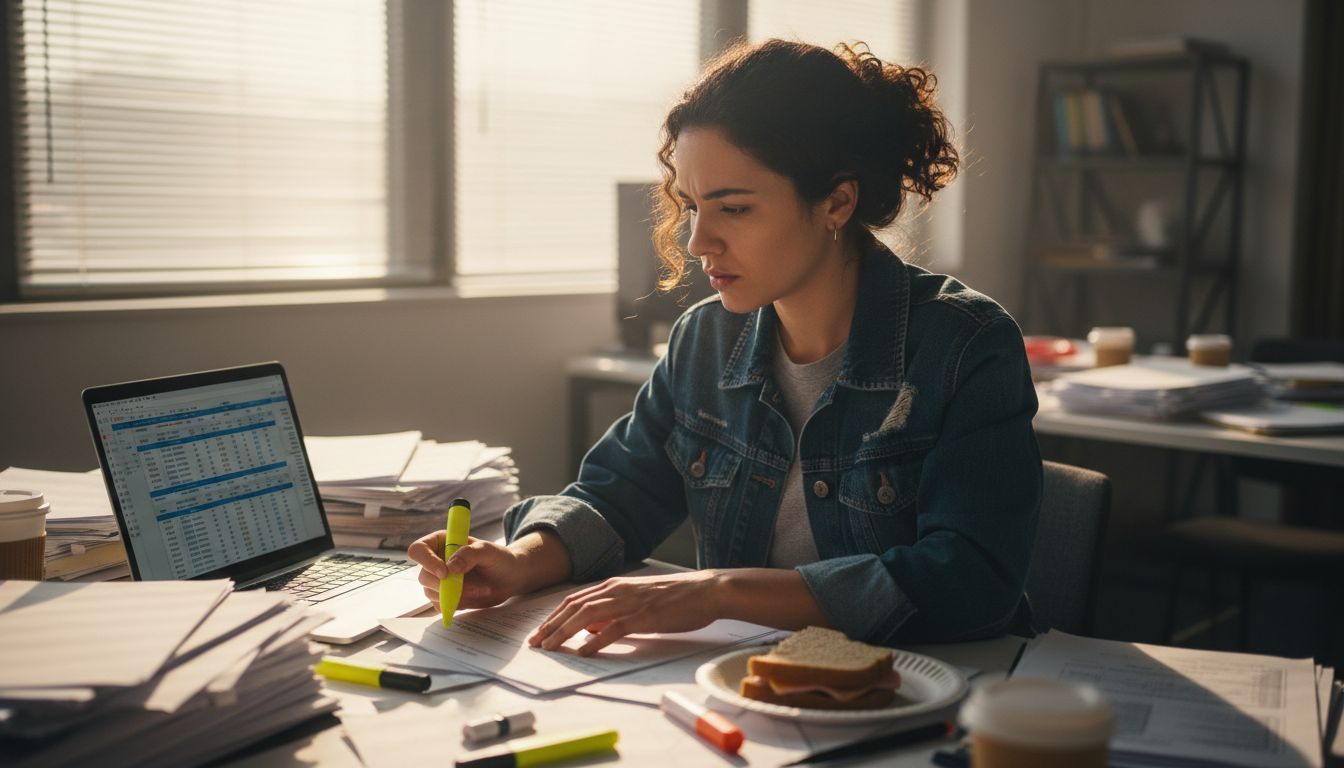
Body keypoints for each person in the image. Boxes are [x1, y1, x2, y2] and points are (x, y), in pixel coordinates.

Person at [409, 39, 1042, 656]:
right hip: (757, 687)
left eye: (733, 209)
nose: (697, 243)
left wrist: (717, 592)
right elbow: (615, 497)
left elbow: (967, 582)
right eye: (690, 207)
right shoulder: (705, 339)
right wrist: (520, 560)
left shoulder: (965, 345)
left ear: (836, 203)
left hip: (948, 691)